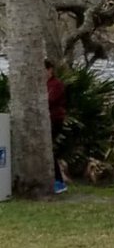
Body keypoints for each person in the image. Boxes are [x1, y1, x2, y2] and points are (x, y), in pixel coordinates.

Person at [45, 59, 67, 193]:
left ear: (50, 69)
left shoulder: (56, 84)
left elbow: (50, 100)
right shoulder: (43, 84)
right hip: (46, 120)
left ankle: (59, 181)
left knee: (49, 149)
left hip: (55, 120)